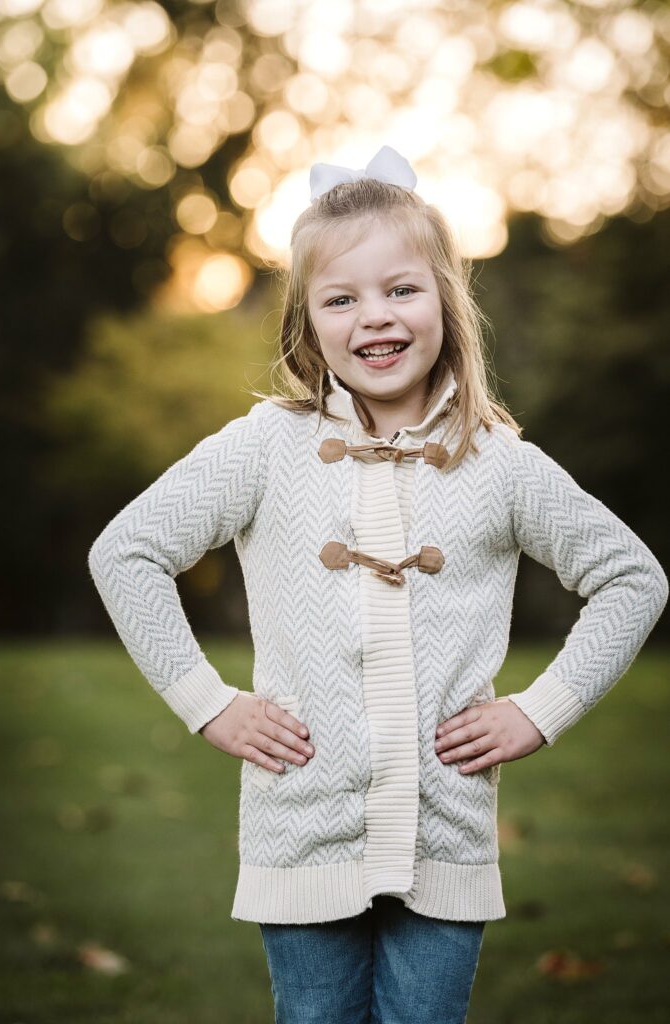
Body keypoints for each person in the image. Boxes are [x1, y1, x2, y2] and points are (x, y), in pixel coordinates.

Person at [87, 145, 668, 1024]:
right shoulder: (265, 446)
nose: (375, 317)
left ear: (445, 299)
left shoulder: (498, 463)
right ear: (306, 323)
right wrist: (206, 701)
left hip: (447, 837)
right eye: (341, 298)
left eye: (401, 289)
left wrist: (538, 710)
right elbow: (124, 552)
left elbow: (631, 578)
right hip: (301, 828)